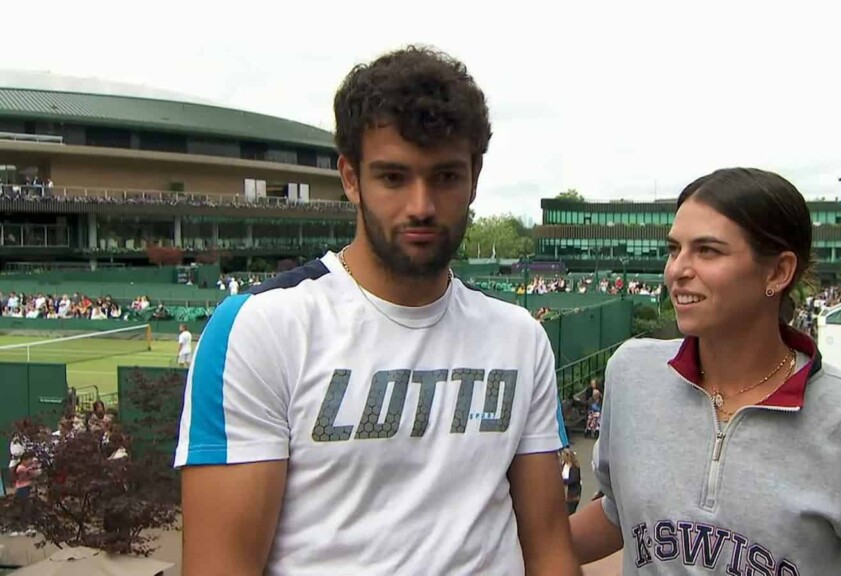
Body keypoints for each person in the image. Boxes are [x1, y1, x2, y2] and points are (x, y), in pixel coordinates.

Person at [175, 46, 579, 576]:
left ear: (474, 178)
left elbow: (548, 548)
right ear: (350, 178)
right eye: (393, 177)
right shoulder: (261, 328)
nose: (421, 205)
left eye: (446, 177)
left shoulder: (519, 338)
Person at [570, 168, 841, 575]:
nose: (677, 269)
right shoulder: (632, 374)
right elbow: (618, 512)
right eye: (674, 249)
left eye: (707, 251)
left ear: (778, 272)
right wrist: (505, 545)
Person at [561, 448, 582, 515]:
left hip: (573, 495)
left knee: (569, 512)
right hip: (564, 493)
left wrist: (563, 481)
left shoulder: (575, 467)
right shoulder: (563, 464)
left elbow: (573, 480)